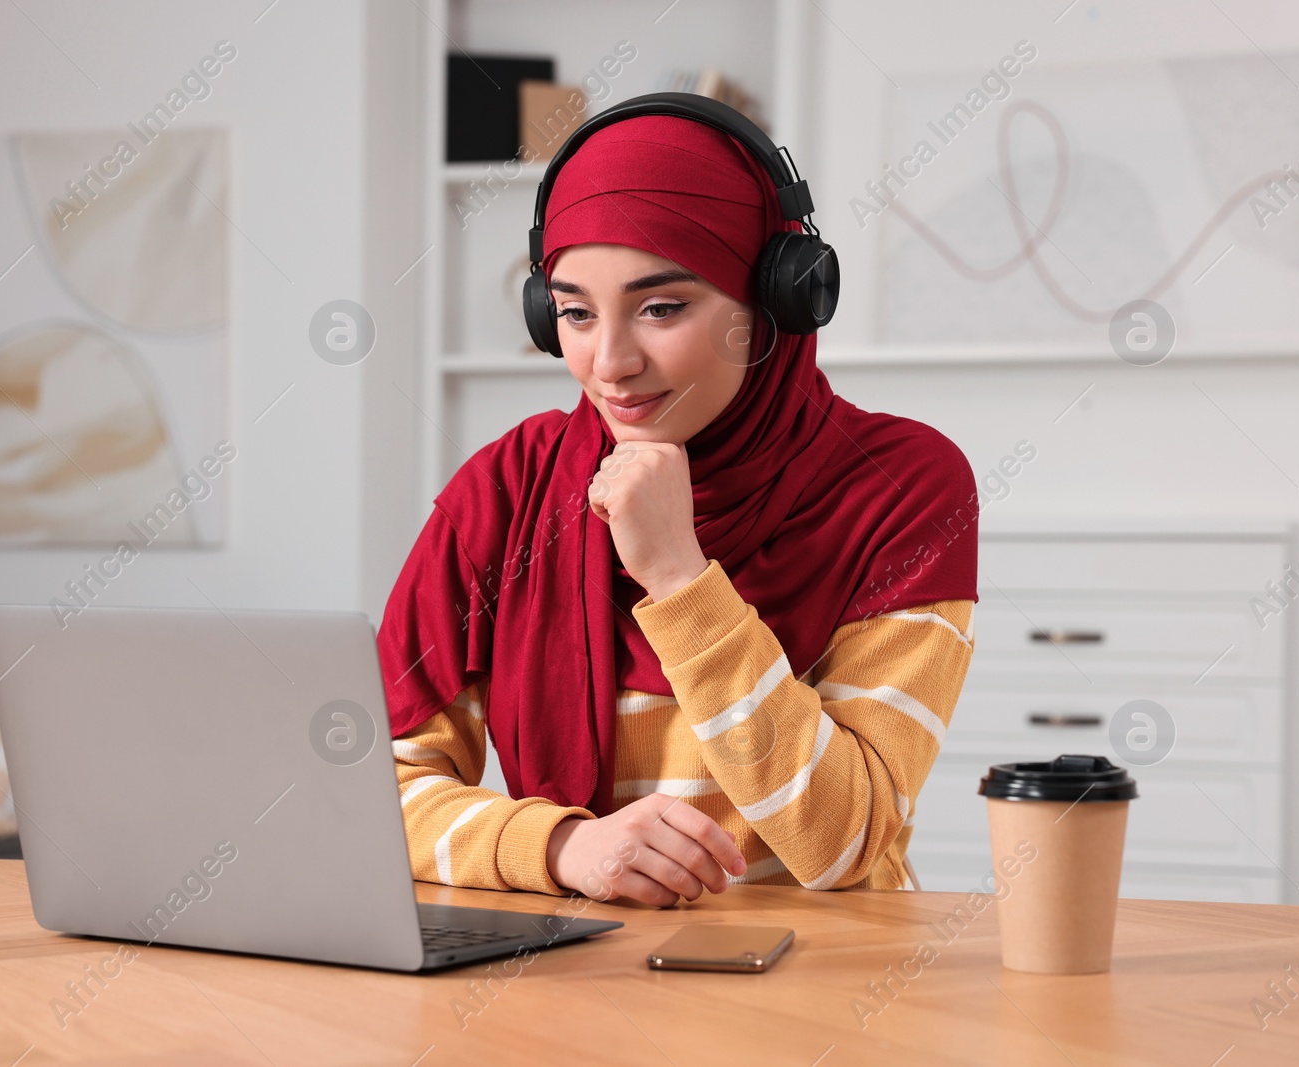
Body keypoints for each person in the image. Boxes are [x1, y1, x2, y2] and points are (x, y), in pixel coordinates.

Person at [376, 108, 978, 908]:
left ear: (779, 299)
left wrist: (675, 573)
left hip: (826, 991)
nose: (612, 364)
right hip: (582, 985)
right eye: (576, 313)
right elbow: (370, 792)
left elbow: (842, 840)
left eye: (661, 308)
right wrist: (561, 845)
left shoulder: (902, 488)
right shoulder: (508, 490)